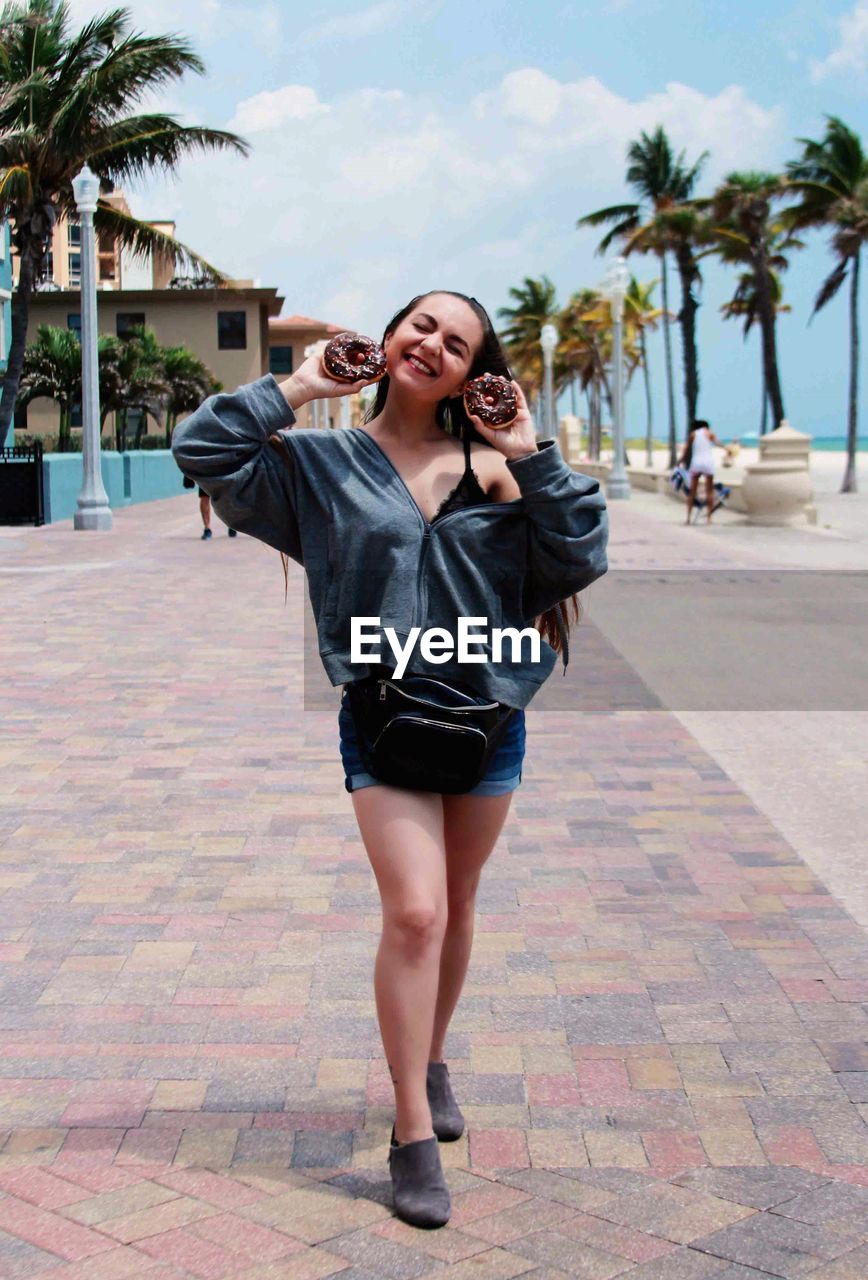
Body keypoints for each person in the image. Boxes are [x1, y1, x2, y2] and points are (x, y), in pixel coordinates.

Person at [171, 290, 609, 1228]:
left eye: (457, 343)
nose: (433, 346)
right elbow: (203, 453)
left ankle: (432, 1055)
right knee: (415, 912)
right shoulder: (323, 466)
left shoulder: (498, 468)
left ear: (472, 371)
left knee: (454, 908)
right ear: (391, 336)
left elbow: (580, 553)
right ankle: (413, 1129)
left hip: (488, 715)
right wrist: (298, 385)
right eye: (422, 326)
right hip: (381, 714)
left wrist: (531, 450)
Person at [678, 419, 729, 524]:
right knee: (709, 491)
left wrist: (681, 460)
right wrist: (727, 449)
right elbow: (718, 443)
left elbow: (686, 448)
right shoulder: (709, 433)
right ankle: (709, 519)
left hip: (696, 462)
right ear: (705, 426)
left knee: (692, 491)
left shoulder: (693, 434)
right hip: (708, 462)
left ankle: (688, 518)